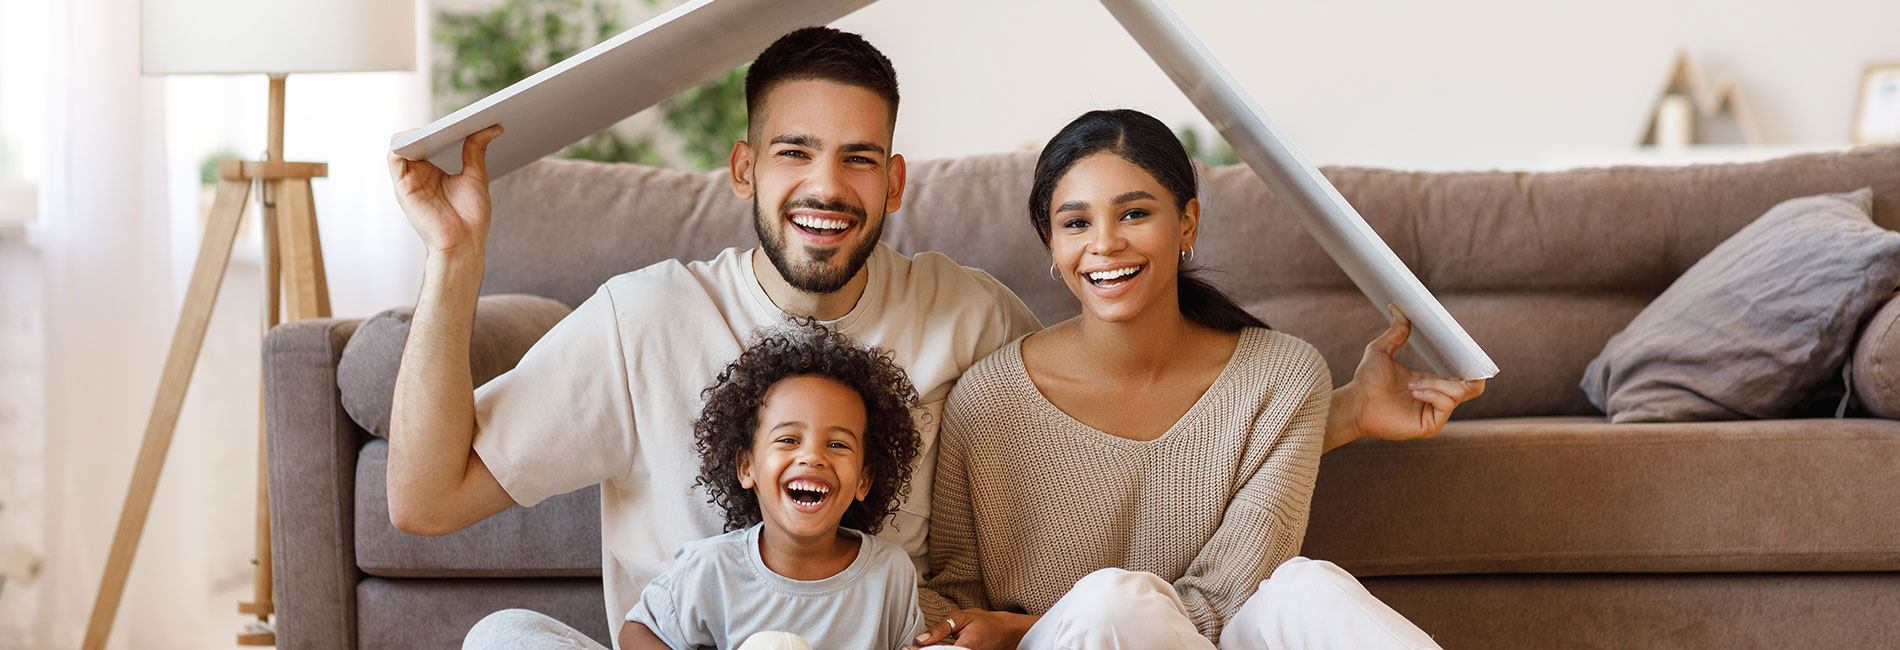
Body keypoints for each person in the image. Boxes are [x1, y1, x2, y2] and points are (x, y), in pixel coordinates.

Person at [385, 26, 1483, 650]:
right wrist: (452, 258)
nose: (826, 185)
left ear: (896, 178)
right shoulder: (642, 317)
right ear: (741, 168)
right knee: (503, 643)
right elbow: (425, 499)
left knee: (1225, 596)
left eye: (859, 158)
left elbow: (1126, 429)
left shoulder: (967, 319)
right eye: (794, 154)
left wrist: (1330, 412)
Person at [913, 109, 1450, 650]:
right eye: (1076, 223)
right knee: (1108, 605)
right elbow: (953, 599)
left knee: (1305, 589)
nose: (1105, 244)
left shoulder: (1282, 378)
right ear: (1050, 241)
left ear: (1187, 222)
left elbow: (1226, 600)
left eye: (1134, 214)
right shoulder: (987, 398)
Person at [620, 321, 928, 650]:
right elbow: (639, 630)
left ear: (863, 480)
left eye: (837, 445)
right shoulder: (713, 568)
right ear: (746, 467)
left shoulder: (890, 573)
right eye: (788, 439)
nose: (812, 456)